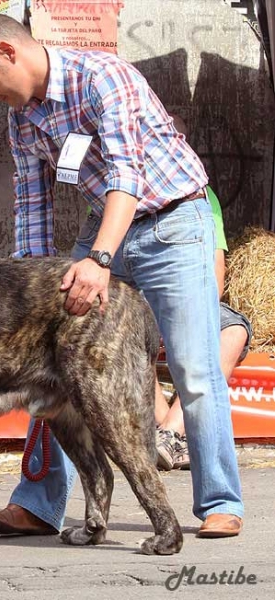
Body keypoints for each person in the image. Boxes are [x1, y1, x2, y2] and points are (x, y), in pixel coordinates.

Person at [0, 12, 243, 539]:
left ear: (8, 51)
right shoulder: (21, 119)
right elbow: (32, 203)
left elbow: (127, 174)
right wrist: (31, 292)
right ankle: (39, 504)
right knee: (43, 355)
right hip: (106, 229)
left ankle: (219, 503)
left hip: (173, 222)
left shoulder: (102, 77)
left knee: (193, 370)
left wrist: (101, 261)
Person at [154, 114, 253, 471]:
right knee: (124, 331)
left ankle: (167, 434)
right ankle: (168, 430)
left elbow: (216, 267)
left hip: (189, 294)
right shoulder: (118, 189)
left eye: (179, 142)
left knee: (233, 328)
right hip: (141, 297)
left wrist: (198, 317)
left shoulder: (201, 192)